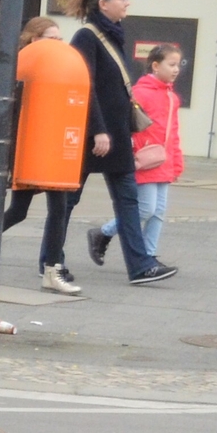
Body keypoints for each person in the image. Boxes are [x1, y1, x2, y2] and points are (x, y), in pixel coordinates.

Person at [0, 16, 83, 292]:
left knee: (58, 208)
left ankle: (51, 269)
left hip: (49, 146)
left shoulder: (55, 65)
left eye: (60, 39)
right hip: (28, 146)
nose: (58, 44)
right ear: (34, 39)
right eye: (51, 38)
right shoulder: (26, 63)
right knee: (19, 210)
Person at [68, 0, 173, 284]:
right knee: (68, 200)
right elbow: (84, 87)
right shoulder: (86, 37)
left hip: (117, 135)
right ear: (104, 3)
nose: (128, 2)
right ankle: (51, 260)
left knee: (129, 201)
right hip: (95, 135)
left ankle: (141, 267)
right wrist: (97, 130)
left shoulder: (112, 34)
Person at [89, 43, 183, 270]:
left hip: (163, 160)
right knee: (145, 209)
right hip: (145, 159)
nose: (176, 69)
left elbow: (173, 132)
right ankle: (103, 232)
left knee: (158, 212)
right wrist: (134, 151)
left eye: (178, 64)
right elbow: (127, 126)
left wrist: (176, 161)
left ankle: (149, 255)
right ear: (155, 65)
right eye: (171, 64)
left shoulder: (172, 98)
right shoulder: (140, 93)